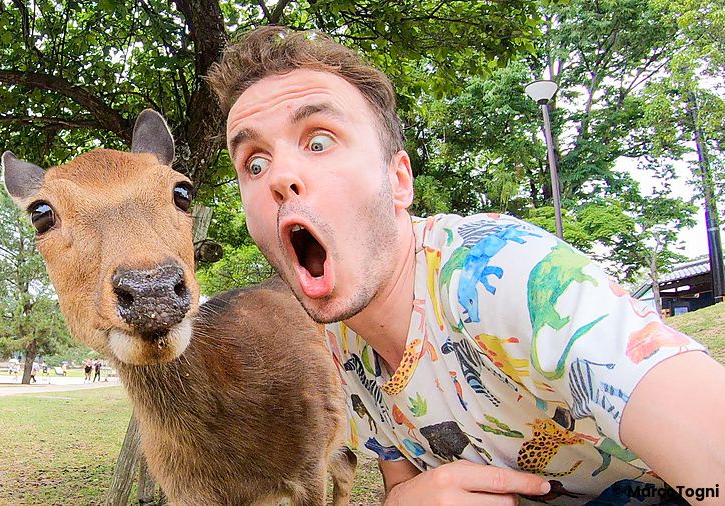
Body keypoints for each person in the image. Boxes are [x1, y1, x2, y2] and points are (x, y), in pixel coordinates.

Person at [207, 26, 725, 504]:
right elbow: (405, 478)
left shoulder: (505, 274)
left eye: (319, 141)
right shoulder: (342, 340)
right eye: (254, 162)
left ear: (399, 182)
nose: (280, 175)